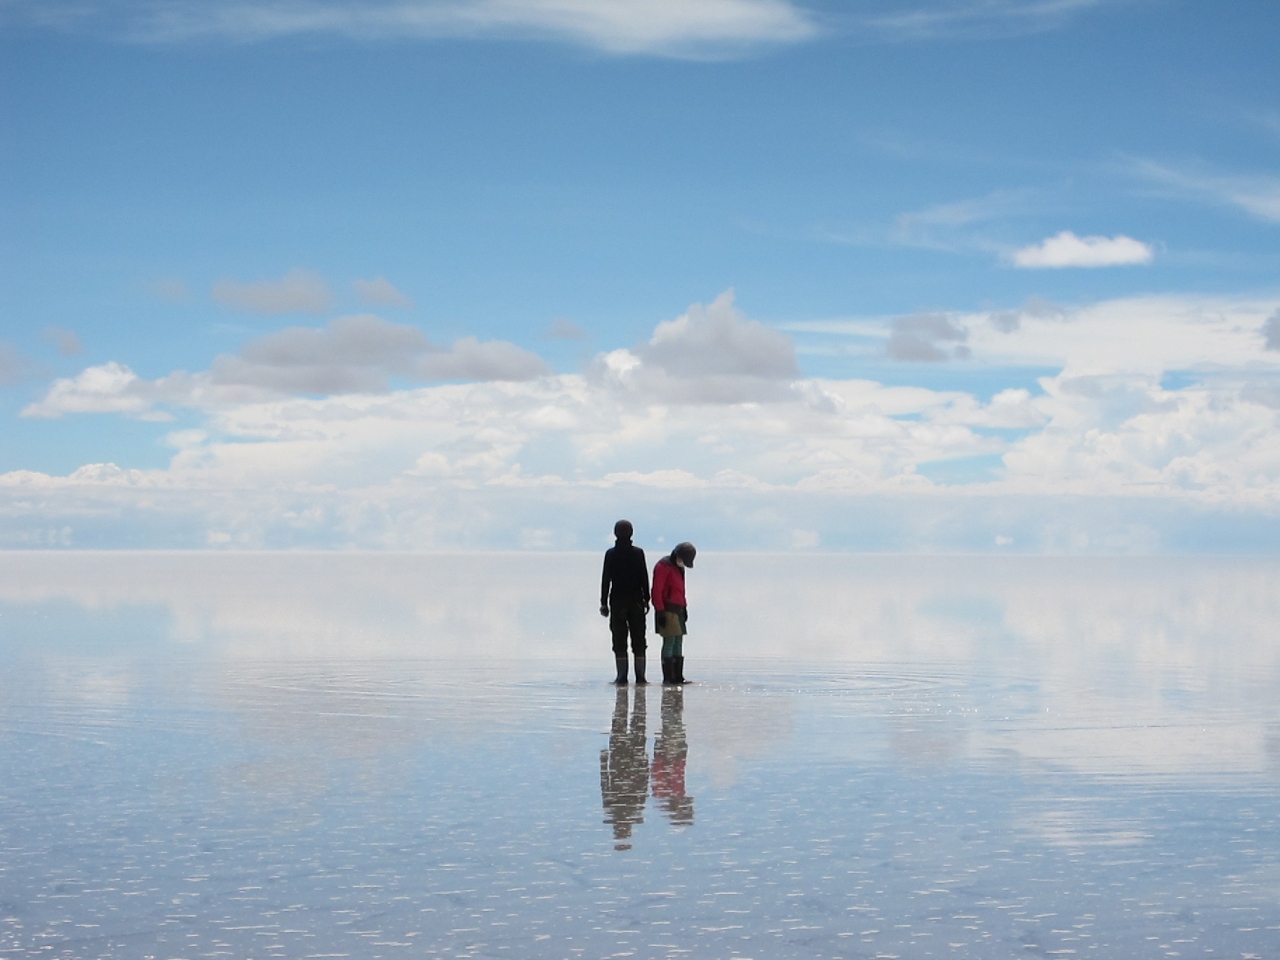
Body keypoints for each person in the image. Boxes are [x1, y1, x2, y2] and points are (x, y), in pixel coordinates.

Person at [600, 520, 650, 684]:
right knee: (639, 638)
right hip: (636, 600)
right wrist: (647, 599)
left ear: (615, 534)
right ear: (631, 533)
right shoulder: (638, 553)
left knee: (619, 639)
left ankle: (622, 677)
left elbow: (606, 579)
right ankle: (640, 677)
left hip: (617, 601)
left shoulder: (611, 554)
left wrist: (603, 602)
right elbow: (644, 576)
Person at [652, 541, 695, 685]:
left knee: (678, 642)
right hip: (667, 609)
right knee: (669, 641)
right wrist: (660, 611)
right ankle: (668, 678)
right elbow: (657, 591)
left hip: (679, 609)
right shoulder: (663, 567)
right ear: (677, 555)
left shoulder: (679, 569)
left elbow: (681, 590)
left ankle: (678, 677)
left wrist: (685, 607)